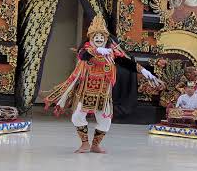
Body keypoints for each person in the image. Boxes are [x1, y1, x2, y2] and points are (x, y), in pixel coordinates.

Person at [43, 14, 162, 154]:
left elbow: (128, 63)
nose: (99, 39)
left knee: (105, 120)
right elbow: (82, 55)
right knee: (77, 117)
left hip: (104, 92)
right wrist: (96, 50)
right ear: (91, 38)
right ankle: (84, 143)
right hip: (86, 91)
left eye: (101, 37)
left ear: (106, 38)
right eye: (95, 37)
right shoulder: (86, 49)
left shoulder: (112, 52)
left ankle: (95, 144)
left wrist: (145, 71)